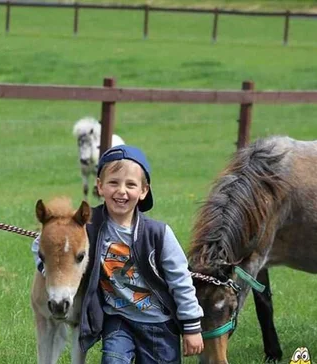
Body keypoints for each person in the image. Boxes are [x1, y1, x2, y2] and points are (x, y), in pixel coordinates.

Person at [32, 145, 204, 363]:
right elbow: (46, 244)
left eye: (130, 185)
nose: (121, 191)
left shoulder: (158, 234)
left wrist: (191, 326)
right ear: (100, 186)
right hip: (118, 319)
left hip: (157, 323)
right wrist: (48, 265)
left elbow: (180, 279)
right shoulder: (88, 224)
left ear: (143, 191)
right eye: (113, 183)